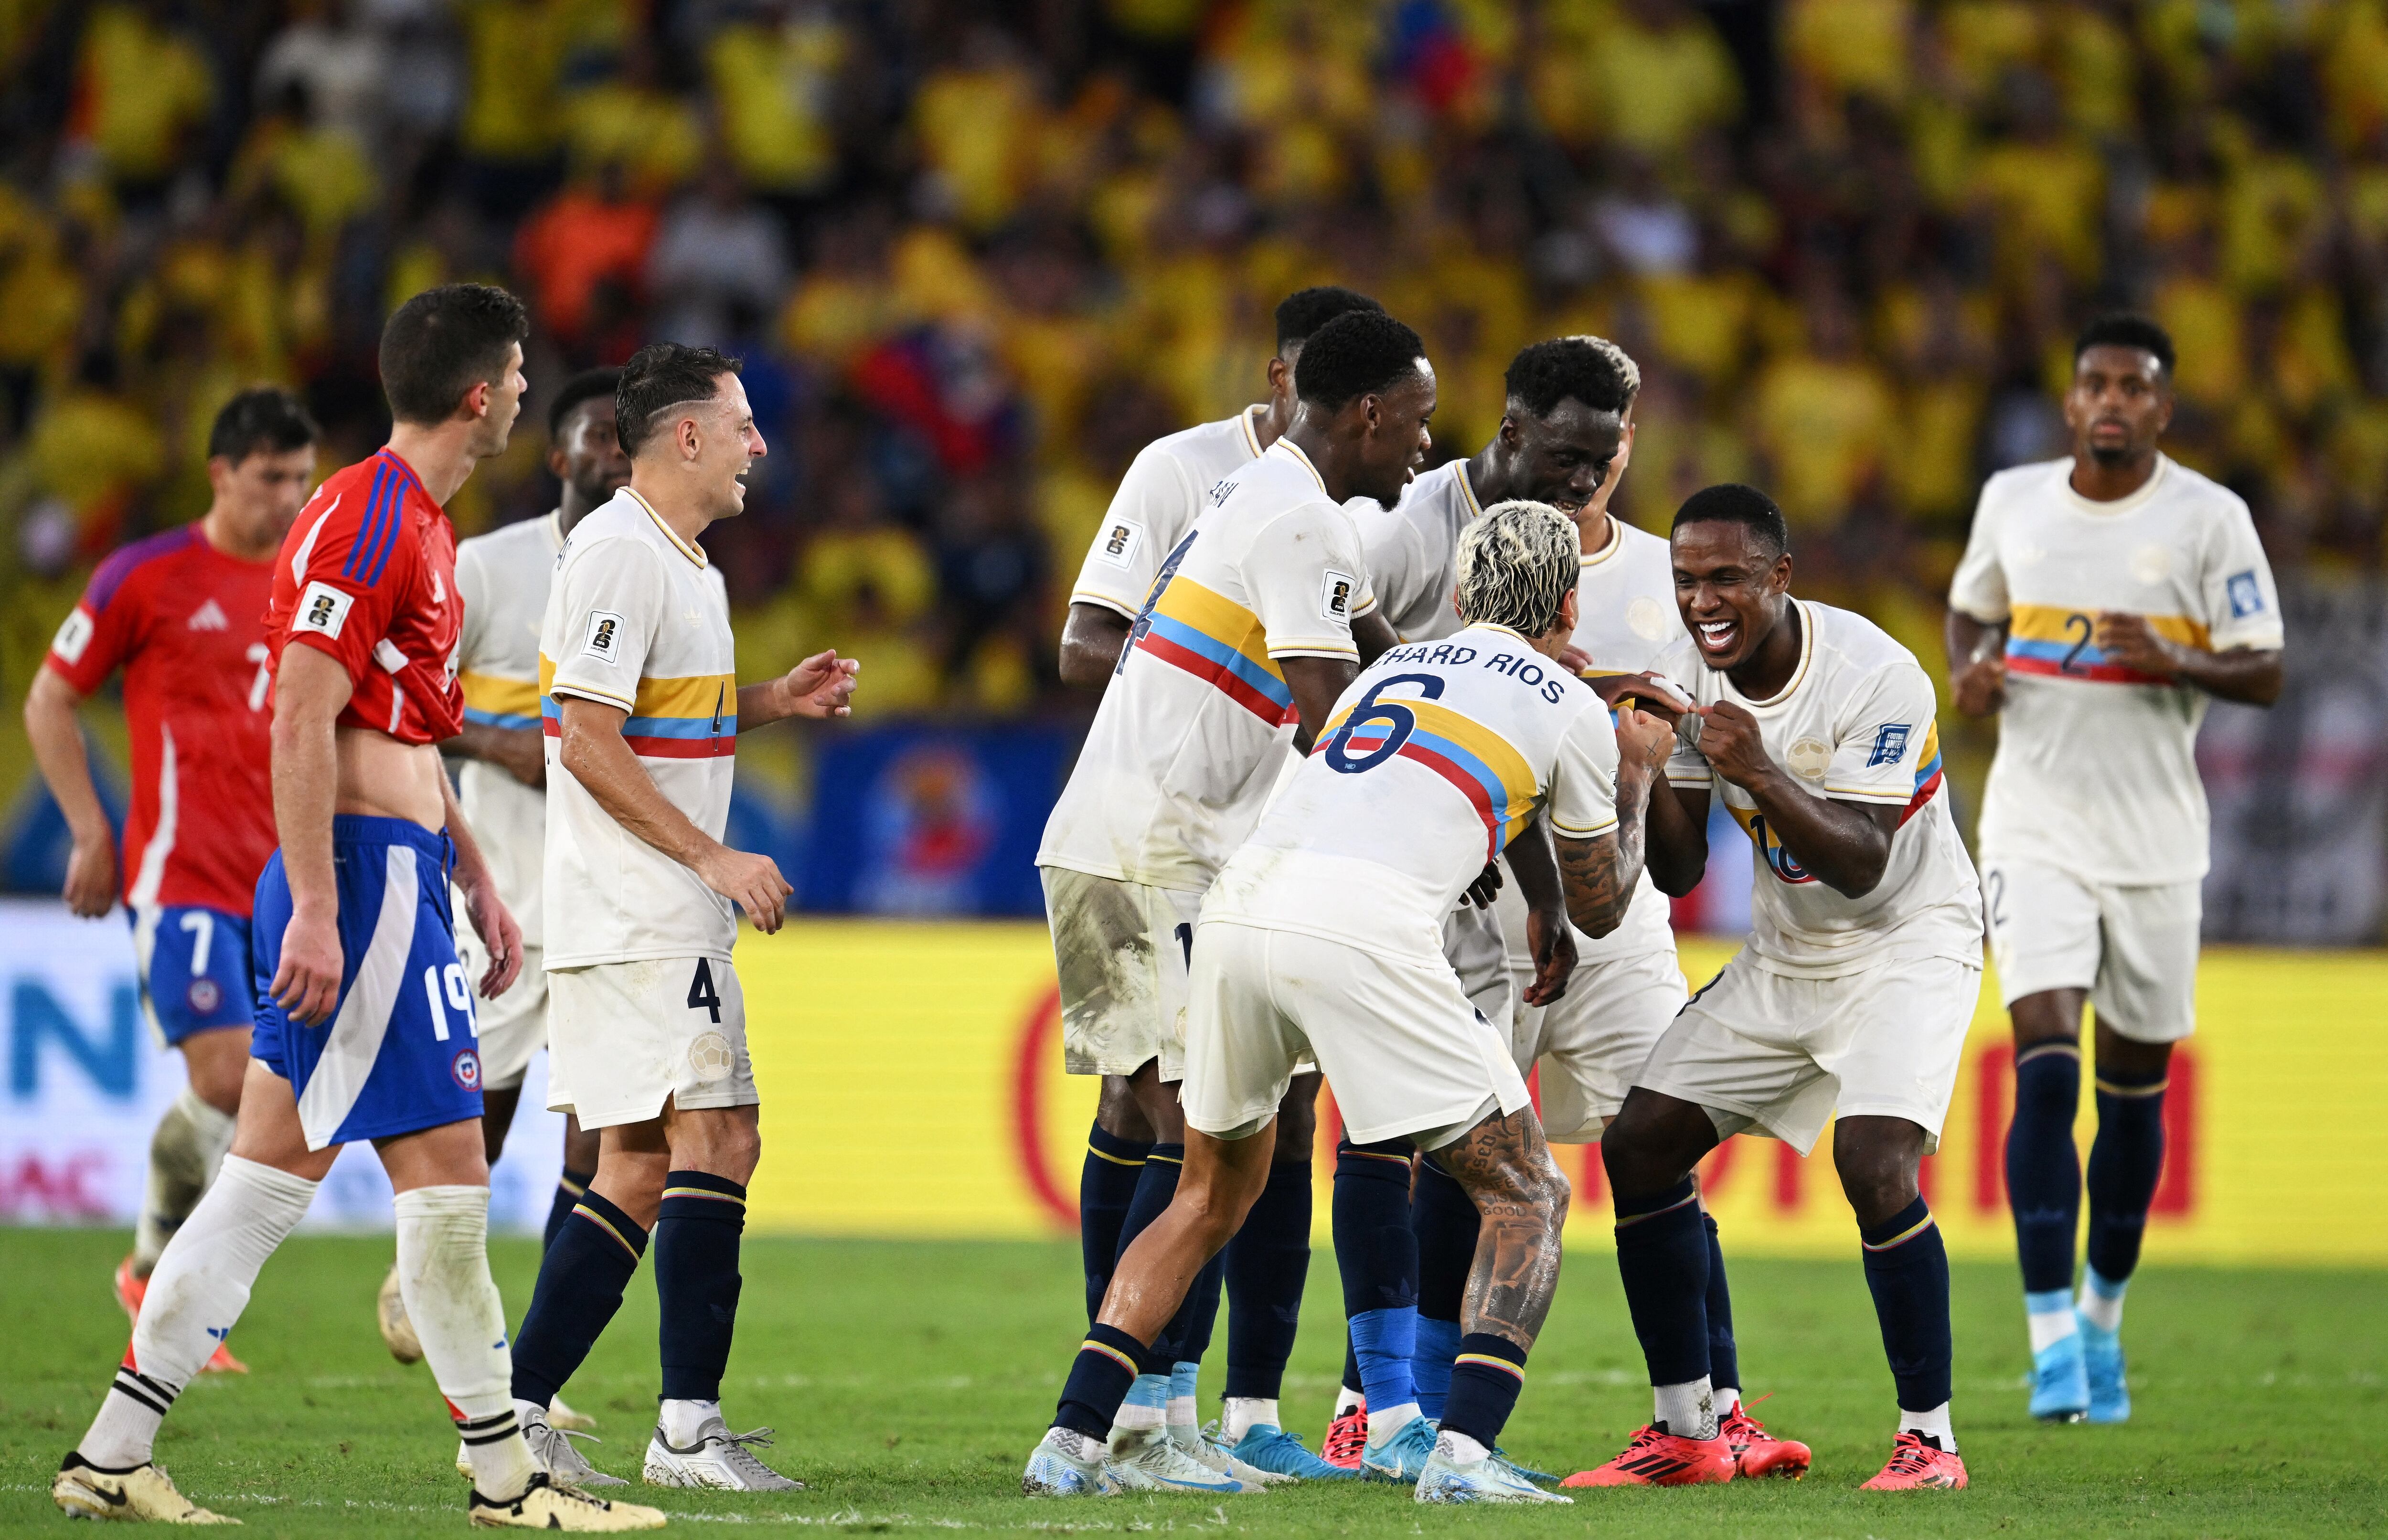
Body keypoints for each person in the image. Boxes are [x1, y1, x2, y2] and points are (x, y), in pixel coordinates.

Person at [51, 284, 664, 1529]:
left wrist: (475, 877)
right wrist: (324, 907)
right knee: (446, 1176)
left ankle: (115, 1452)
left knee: (265, 1176)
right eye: (522, 371)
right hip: (359, 879)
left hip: (400, 871)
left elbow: (400, 733)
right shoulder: (372, 517)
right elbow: (299, 715)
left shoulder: (415, 524)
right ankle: (507, 1473)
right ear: (481, 393)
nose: (529, 391)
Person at [1025, 500, 1674, 1505]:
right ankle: (1461, 1456)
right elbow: (1600, 901)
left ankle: (1071, 1437)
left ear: (1460, 596)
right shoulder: (1571, 704)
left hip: (1241, 909)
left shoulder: (1393, 668)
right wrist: (1635, 776)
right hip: (1363, 927)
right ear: (1572, 599)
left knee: (1207, 1193)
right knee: (1528, 1191)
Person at [1354, 334, 1807, 1480]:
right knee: (1457, 1151)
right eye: (1560, 454)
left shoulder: (1668, 585)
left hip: (1614, 917)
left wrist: (1641, 765)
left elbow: (1675, 857)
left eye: (1599, 458)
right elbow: (1349, 667)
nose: (1578, 478)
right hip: (1461, 907)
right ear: (1510, 431)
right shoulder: (1414, 525)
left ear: (1627, 448)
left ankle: (1700, 1415)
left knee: (1654, 1147)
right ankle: (1386, 1407)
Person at [1031, 308, 1429, 1494]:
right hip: (1156, 851)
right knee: (1193, 1138)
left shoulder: (1270, 499)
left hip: (1140, 844)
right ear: (1362, 412)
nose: (1420, 445)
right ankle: (1139, 1424)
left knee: (1186, 1133)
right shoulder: (1297, 516)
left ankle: (1139, 1417)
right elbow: (1334, 715)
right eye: (1413, 421)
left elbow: (1377, 648)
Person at [501, 342, 859, 1492]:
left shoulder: (684, 562)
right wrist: (712, 852)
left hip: (651, 906)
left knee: (642, 1164)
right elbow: (586, 736)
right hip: (641, 905)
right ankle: (685, 1432)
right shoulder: (617, 553)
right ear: (686, 436)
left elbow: (655, 717)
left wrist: (768, 702)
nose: (762, 442)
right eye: (744, 422)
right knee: (719, 1137)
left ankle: (523, 1414)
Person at [1575, 484, 1983, 1492]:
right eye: (1684, 582)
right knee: (1639, 1144)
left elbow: (1860, 863)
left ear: (1779, 577)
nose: (1702, 602)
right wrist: (1646, 770)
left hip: (1908, 940)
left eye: (1725, 579)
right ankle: (1686, 1427)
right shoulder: (1683, 670)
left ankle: (1928, 1441)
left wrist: (1752, 764)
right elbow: (1676, 874)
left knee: (1876, 1160)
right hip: (1786, 955)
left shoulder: (1877, 674)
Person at [1945, 315, 2282, 1424]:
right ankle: (2048, 1341)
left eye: (2133, 386)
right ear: (2071, 397)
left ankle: (2101, 1319)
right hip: (2034, 825)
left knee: (2131, 1101)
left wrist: (2177, 657)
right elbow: (1970, 610)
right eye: (2094, 382)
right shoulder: (2013, 500)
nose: (2110, 401)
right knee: (2042, 1065)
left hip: (2154, 845)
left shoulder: (2208, 518)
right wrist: (1971, 673)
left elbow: (2267, 667)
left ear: (2162, 407)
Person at [28, 388, 320, 1376]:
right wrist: (86, 829)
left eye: (302, 477)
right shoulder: (144, 577)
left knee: (255, 1101)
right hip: (180, 874)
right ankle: (162, 1283)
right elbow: (50, 698)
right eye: (273, 476)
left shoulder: (309, 585)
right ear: (222, 473)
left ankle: (150, 1268)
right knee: (228, 1076)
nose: (290, 496)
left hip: (284, 884)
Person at [373, 371, 628, 1443]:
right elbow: (399, 698)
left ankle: (529, 1361)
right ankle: (424, 1277)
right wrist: (500, 743)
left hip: (607, 901)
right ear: (559, 455)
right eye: (598, 439)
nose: (618, 456)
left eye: (632, 439)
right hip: (502, 900)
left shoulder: (659, 570)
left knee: (597, 1130)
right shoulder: (488, 566)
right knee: (483, 1121)